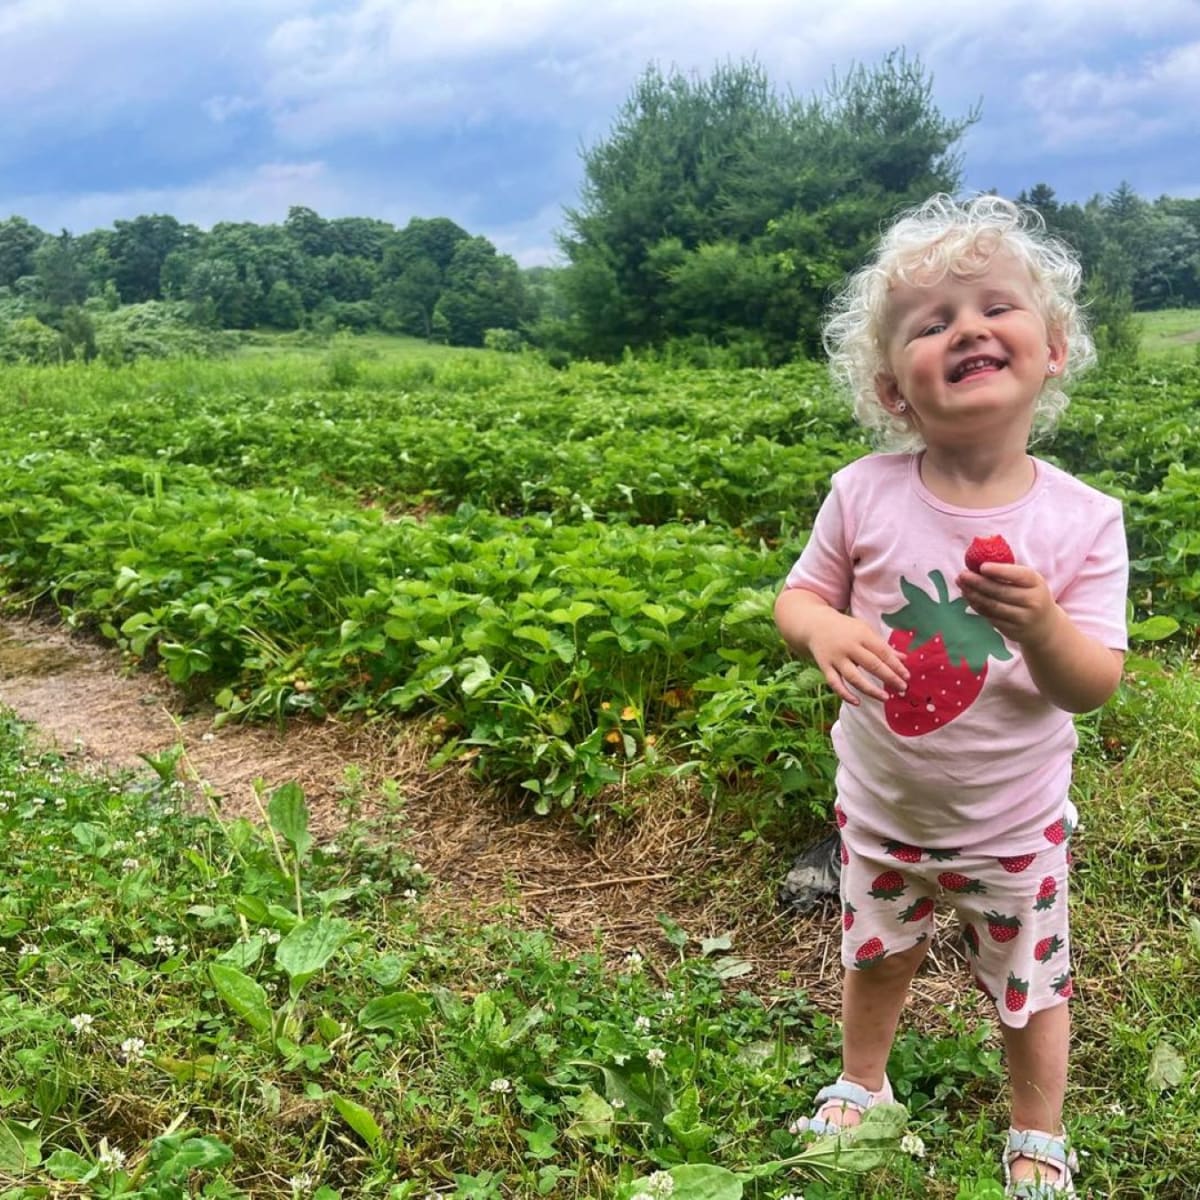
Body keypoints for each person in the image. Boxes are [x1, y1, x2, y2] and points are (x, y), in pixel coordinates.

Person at [773, 193, 1128, 1197]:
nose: (966, 327)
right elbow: (797, 598)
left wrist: (1042, 627)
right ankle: (862, 1082)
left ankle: (1036, 1136)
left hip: (1012, 827)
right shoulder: (864, 493)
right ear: (893, 388)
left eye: (995, 309)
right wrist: (824, 626)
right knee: (877, 958)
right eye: (932, 322)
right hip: (885, 818)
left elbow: (1093, 682)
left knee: (1030, 989)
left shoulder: (1084, 522)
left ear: (1052, 349)